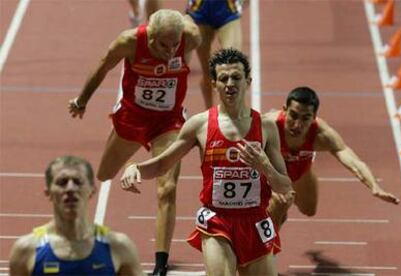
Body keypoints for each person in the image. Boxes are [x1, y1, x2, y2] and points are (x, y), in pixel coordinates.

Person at [120, 48, 295, 275]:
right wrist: (135, 167)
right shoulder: (199, 125)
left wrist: (265, 167)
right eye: (223, 78)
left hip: (255, 220)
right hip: (217, 220)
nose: (230, 83)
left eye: (236, 77)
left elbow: (285, 187)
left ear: (248, 81)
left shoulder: (266, 127)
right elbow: (163, 163)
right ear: (214, 83)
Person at [68, 9, 201, 276]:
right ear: (151, 38)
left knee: (167, 189)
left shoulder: (190, 38)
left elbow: (192, 33)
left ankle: (160, 266)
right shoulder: (128, 41)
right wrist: (82, 101)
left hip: (169, 123)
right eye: (164, 44)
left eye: (175, 43)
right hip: (131, 119)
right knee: (105, 174)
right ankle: (131, 161)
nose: (171, 50)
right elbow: (103, 65)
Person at [265, 86, 400, 228]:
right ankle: (269, 237)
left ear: (314, 117)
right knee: (276, 209)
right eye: (293, 115)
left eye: (305, 118)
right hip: (270, 169)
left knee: (309, 210)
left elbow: (354, 162)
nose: (297, 124)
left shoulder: (321, 135)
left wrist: (374, 186)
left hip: (300, 170)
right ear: (284, 110)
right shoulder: (267, 125)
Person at [8, 156, 144, 276]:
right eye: (62, 182)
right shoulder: (26, 250)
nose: (70, 188)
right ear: (48, 192)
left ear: (92, 190)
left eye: (78, 182)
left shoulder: (119, 246)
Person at [186, 0, 249, 108]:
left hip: (227, 10)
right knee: (208, 72)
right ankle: (210, 113)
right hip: (200, 10)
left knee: (233, 65)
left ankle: (231, 114)